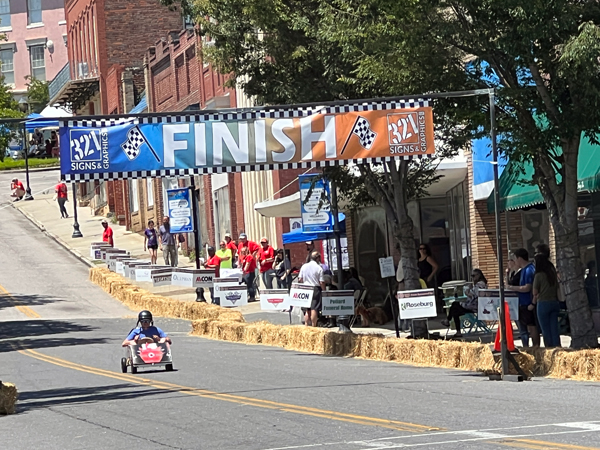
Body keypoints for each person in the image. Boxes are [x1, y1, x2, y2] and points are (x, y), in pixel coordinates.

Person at [507, 248, 540, 347]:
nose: (515, 262)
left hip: (528, 302)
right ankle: (530, 346)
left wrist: (512, 288)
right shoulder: (525, 270)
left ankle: (535, 346)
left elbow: (527, 287)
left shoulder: (529, 269)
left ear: (520, 258)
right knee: (527, 327)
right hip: (523, 302)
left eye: (515, 259)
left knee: (532, 327)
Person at [441, 269, 488, 337]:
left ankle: (450, 322)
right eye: (471, 276)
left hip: (474, 306)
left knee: (455, 306)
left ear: (478, 275)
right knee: (455, 309)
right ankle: (452, 325)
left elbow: (474, 296)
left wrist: (467, 291)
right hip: (475, 305)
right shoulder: (481, 284)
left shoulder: (479, 284)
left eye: (473, 276)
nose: (472, 278)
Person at [533, 250, 562, 348]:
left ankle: (549, 348)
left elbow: (535, 292)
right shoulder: (552, 274)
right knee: (554, 328)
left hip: (543, 303)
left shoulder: (538, 275)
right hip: (554, 302)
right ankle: (557, 346)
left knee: (545, 329)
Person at [298, 251, 326, 327]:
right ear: (317, 258)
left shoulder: (304, 266)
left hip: (305, 288)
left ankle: (307, 325)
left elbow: (300, 279)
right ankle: (314, 325)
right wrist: (324, 291)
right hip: (315, 288)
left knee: (307, 309)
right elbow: (321, 282)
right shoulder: (319, 268)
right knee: (314, 308)